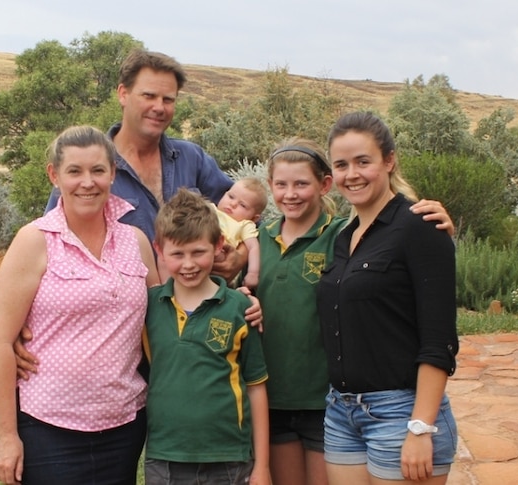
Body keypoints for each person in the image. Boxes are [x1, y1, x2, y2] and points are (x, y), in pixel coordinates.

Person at [257, 137, 456, 485]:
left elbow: (393, 242)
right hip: (294, 400)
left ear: (324, 185)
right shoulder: (259, 237)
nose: (291, 193)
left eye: (302, 183)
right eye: (281, 184)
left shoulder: (340, 234)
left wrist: (437, 228)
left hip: (331, 399)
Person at [0, 125, 160, 485]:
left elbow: (167, 316)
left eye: (98, 170)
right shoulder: (34, 241)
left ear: (113, 173)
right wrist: (7, 437)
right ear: (54, 175)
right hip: (48, 426)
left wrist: (239, 301)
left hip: (124, 424)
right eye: (74, 171)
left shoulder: (136, 241)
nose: (88, 182)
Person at [316, 112, 458, 484]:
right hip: (341, 412)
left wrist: (421, 427)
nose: (352, 174)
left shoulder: (420, 226)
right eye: (342, 165)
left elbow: (438, 341)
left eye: (364, 161)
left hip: (400, 413)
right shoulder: (343, 237)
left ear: (389, 160)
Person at [45, 49, 247, 280]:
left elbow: (250, 214)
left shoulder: (192, 158)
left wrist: (240, 257)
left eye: (168, 99)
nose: (159, 107)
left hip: (199, 309)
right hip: (126, 312)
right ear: (123, 93)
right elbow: (51, 242)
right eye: (149, 96)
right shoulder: (88, 173)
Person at [143, 188, 270, 484]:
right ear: (159, 250)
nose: (188, 264)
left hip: (229, 458)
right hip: (166, 457)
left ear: (218, 245)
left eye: (198, 252)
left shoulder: (240, 308)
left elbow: (256, 388)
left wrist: (262, 467)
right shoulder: (148, 306)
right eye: (177, 254)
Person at [160, 176, 268, 288]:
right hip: (191, 249)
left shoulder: (245, 225)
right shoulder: (209, 209)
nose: (233, 204)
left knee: (220, 253)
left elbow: (253, 247)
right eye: (231, 196)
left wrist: (253, 273)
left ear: (254, 218)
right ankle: (166, 286)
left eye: (243, 205)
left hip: (217, 263)